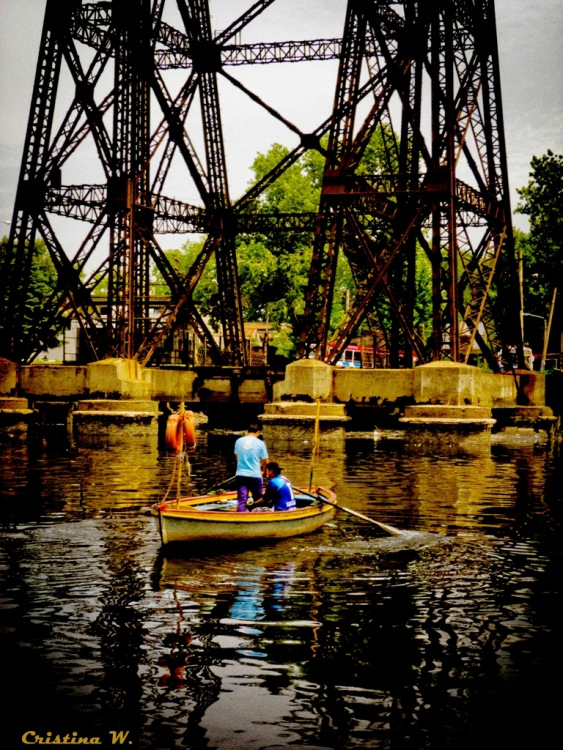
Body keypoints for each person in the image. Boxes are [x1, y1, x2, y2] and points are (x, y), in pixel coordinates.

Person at [234, 424, 268, 512]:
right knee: (258, 500)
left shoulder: (238, 441)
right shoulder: (260, 443)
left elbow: (237, 458)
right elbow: (266, 461)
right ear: (258, 432)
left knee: (242, 501)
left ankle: (240, 519)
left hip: (241, 475)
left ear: (247, 431)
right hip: (255, 475)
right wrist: (265, 472)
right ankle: (257, 519)